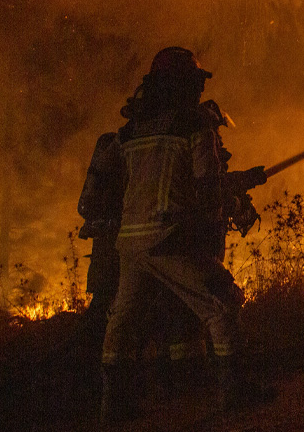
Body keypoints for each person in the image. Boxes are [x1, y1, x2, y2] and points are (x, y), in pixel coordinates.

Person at [97, 46, 269, 425]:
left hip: (130, 241)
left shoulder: (132, 131)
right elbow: (207, 188)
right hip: (169, 235)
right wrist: (239, 187)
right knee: (220, 302)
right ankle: (235, 392)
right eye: (193, 81)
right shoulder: (195, 127)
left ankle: (114, 405)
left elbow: (114, 185)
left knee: (122, 319)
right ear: (184, 84)